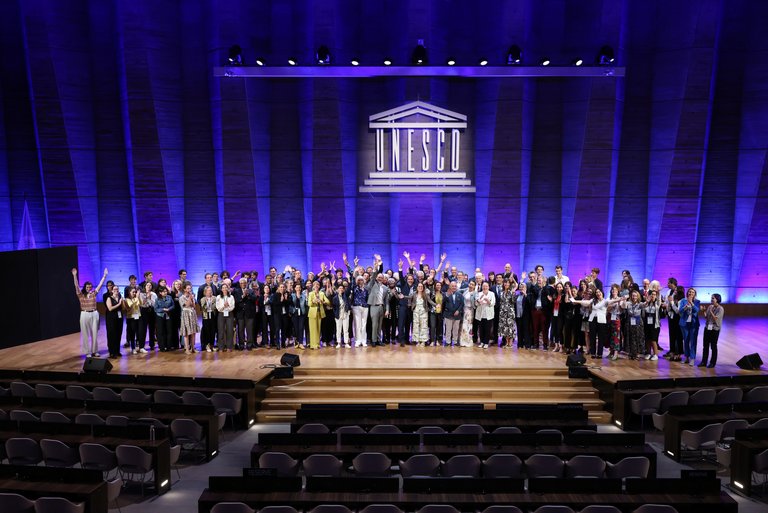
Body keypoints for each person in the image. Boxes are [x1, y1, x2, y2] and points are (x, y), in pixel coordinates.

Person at [72, 267, 108, 357]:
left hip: (94, 313)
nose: (89, 288)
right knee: (85, 333)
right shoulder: (81, 295)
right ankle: (87, 352)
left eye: (90, 287)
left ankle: (95, 351)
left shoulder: (93, 294)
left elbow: (100, 285)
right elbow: (76, 286)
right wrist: (74, 276)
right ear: (85, 287)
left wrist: (104, 276)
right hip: (84, 313)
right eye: (87, 287)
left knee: (95, 333)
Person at [699, 293, 724, 368]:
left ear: (717, 299)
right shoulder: (710, 306)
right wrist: (703, 311)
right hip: (707, 328)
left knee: (713, 346)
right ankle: (704, 362)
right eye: (711, 298)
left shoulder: (720, 309)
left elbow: (716, 318)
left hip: (715, 329)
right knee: (705, 346)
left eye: (713, 298)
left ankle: (712, 363)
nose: (711, 299)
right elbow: (706, 317)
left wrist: (711, 311)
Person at [679, 288, 700, 365]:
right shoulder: (683, 301)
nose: (691, 293)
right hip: (684, 323)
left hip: (693, 324)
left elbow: (697, 311)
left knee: (693, 341)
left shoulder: (697, 302)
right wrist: (685, 307)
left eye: (693, 292)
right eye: (689, 292)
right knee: (686, 340)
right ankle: (687, 357)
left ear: (695, 294)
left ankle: (692, 358)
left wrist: (692, 303)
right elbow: (680, 311)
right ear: (687, 293)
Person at [307, 281, 330, 349]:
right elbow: (309, 304)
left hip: (319, 313)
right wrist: (313, 301)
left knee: (318, 329)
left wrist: (322, 301)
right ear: (313, 286)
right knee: (312, 329)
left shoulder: (322, 293)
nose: (316, 286)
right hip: (312, 313)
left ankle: (317, 344)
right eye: (315, 285)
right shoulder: (311, 294)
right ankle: (312, 344)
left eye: (317, 285)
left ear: (319, 286)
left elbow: (328, 302)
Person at [179, 284, 200, 354]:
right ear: (184, 289)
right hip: (186, 315)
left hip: (192, 314)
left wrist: (192, 299)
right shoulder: (181, 297)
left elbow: (194, 306)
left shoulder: (192, 296)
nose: (189, 290)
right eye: (188, 288)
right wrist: (189, 298)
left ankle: (193, 348)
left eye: (190, 288)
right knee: (187, 333)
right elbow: (186, 305)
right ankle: (187, 349)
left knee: (193, 332)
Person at [475, 281, 496, 349]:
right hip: (480, 314)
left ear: (488, 287)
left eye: (486, 286)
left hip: (489, 315)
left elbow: (493, 303)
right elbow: (476, 304)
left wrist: (488, 301)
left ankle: (486, 342)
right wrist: (479, 300)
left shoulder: (492, 294)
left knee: (487, 329)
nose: (485, 287)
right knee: (481, 329)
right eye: (483, 286)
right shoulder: (479, 293)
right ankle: (482, 342)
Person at [105, 283, 124, 358]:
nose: (116, 290)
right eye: (115, 289)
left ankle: (117, 351)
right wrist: (119, 304)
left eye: (117, 289)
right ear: (112, 291)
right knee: (112, 334)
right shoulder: (109, 298)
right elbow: (110, 308)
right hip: (111, 318)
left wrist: (123, 303)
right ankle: (112, 352)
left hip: (119, 317)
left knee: (118, 334)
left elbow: (122, 307)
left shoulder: (120, 297)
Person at [154, 286, 175, 352]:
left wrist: (169, 309)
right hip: (160, 316)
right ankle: (162, 347)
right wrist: (163, 309)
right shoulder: (157, 299)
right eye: (163, 292)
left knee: (169, 331)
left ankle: (168, 346)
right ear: (160, 293)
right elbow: (156, 309)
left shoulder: (169, 297)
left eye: (166, 291)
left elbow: (173, 305)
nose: (165, 293)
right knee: (161, 332)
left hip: (168, 315)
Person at [642, 289, 662, 360]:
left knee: (653, 340)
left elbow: (659, 300)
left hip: (655, 325)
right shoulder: (646, 303)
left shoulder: (657, 304)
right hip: (647, 324)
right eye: (651, 294)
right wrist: (647, 301)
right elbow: (643, 308)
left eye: (654, 295)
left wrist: (658, 292)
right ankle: (648, 353)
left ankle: (655, 354)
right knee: (647, 339)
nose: (653, 296)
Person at [443, 281, 464, 347]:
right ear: (450, 286)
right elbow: (443, 303)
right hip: (448, 314)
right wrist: (447, 295)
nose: (454, 287)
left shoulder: (460, 294)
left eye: (455, 286)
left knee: (456, 329)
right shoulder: (446, 294)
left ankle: (455, 341)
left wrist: (458, 310)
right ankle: (448, 341)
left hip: (457, 315)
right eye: (452, 286)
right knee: (448, 329)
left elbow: (462, 304)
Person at [215, 283, 235, 351]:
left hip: (229, 314)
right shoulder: (218, 297)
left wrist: (228, 306)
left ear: (228, 288)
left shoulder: (231, 297)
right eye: (223, 287)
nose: (224, 289)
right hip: (221, 314)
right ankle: (221, 347)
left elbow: (232, 307)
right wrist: (224, 306)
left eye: (226, 287)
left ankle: (229, 346)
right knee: (221, 331)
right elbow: (218, 308)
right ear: (221, 289)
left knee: (230, 330)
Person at [497, 279, 517, 348]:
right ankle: (506, 343)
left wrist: (513, 293)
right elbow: (500, 302)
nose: (506, 284)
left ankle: (510, 344)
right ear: (503, 284)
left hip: (510, 312)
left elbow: (514, 301)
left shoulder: (511, 292)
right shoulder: (501, 292)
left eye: (508, 283)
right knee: (504, 328)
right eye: (505, 282)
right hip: (502, 312)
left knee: (510, 328)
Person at [123, 287, 143, 354]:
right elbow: (131, 306)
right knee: (132, 334)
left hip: (138, 316)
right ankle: (133, 348)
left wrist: (138, 297)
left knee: (140, 333)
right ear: (129, 293)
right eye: (133, 292)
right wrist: (136, 298)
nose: (134, 293)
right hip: (131, 318)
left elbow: (141, 303)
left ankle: (141, 347)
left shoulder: (136, 298)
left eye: (135, 292)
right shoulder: (127, 299)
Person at [138, 281, 157, 352]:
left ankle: (152, 345)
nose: (149, 287)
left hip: (151, 311)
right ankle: (141, 346)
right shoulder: (141, 294)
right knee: (143, 329)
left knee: (152, 329)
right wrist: (147, 298)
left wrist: (151, 299)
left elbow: (155, 304)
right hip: (144, 311)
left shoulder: (154, 294)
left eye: (150, 285)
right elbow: (141, 303)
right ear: (145, 286)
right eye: (147, 285)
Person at [199, 285, 218, 352]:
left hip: (213, 316)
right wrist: (207, 304)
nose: (210, 292)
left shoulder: (215, 298)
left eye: (210, 290)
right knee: (207, 331)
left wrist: (210, 305)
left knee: (213, 331)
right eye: (208, 291)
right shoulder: (203, 299)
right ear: (205, 292)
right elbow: (203, 308)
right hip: (205, 316)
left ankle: (212, 345)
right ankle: (207, 345)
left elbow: (215, 307)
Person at [290, 283, 308, 349]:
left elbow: (306, 304)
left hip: (302, 313)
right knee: (296, 328)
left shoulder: (303, 296)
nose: (298, 288)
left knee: (301, 328)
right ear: (295, 288)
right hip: (294, 313)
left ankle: (301, 343)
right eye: (297, 287)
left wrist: (305, 312)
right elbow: (291, 304)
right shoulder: (292, 295)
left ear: (301, 288)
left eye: (299, 287)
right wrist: (292, 311)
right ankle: (297, 342)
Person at [459, 280, 476, 347]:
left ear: (474, 286)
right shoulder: (466, 291)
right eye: (470, 284)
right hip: (464, 310)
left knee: (469, 326)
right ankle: (462, 341)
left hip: (470, 311)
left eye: (472, 285)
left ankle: (468, 341)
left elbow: (476, 303)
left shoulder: (475, 293)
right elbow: (458, 290)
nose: (471, 285)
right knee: (463, 326)